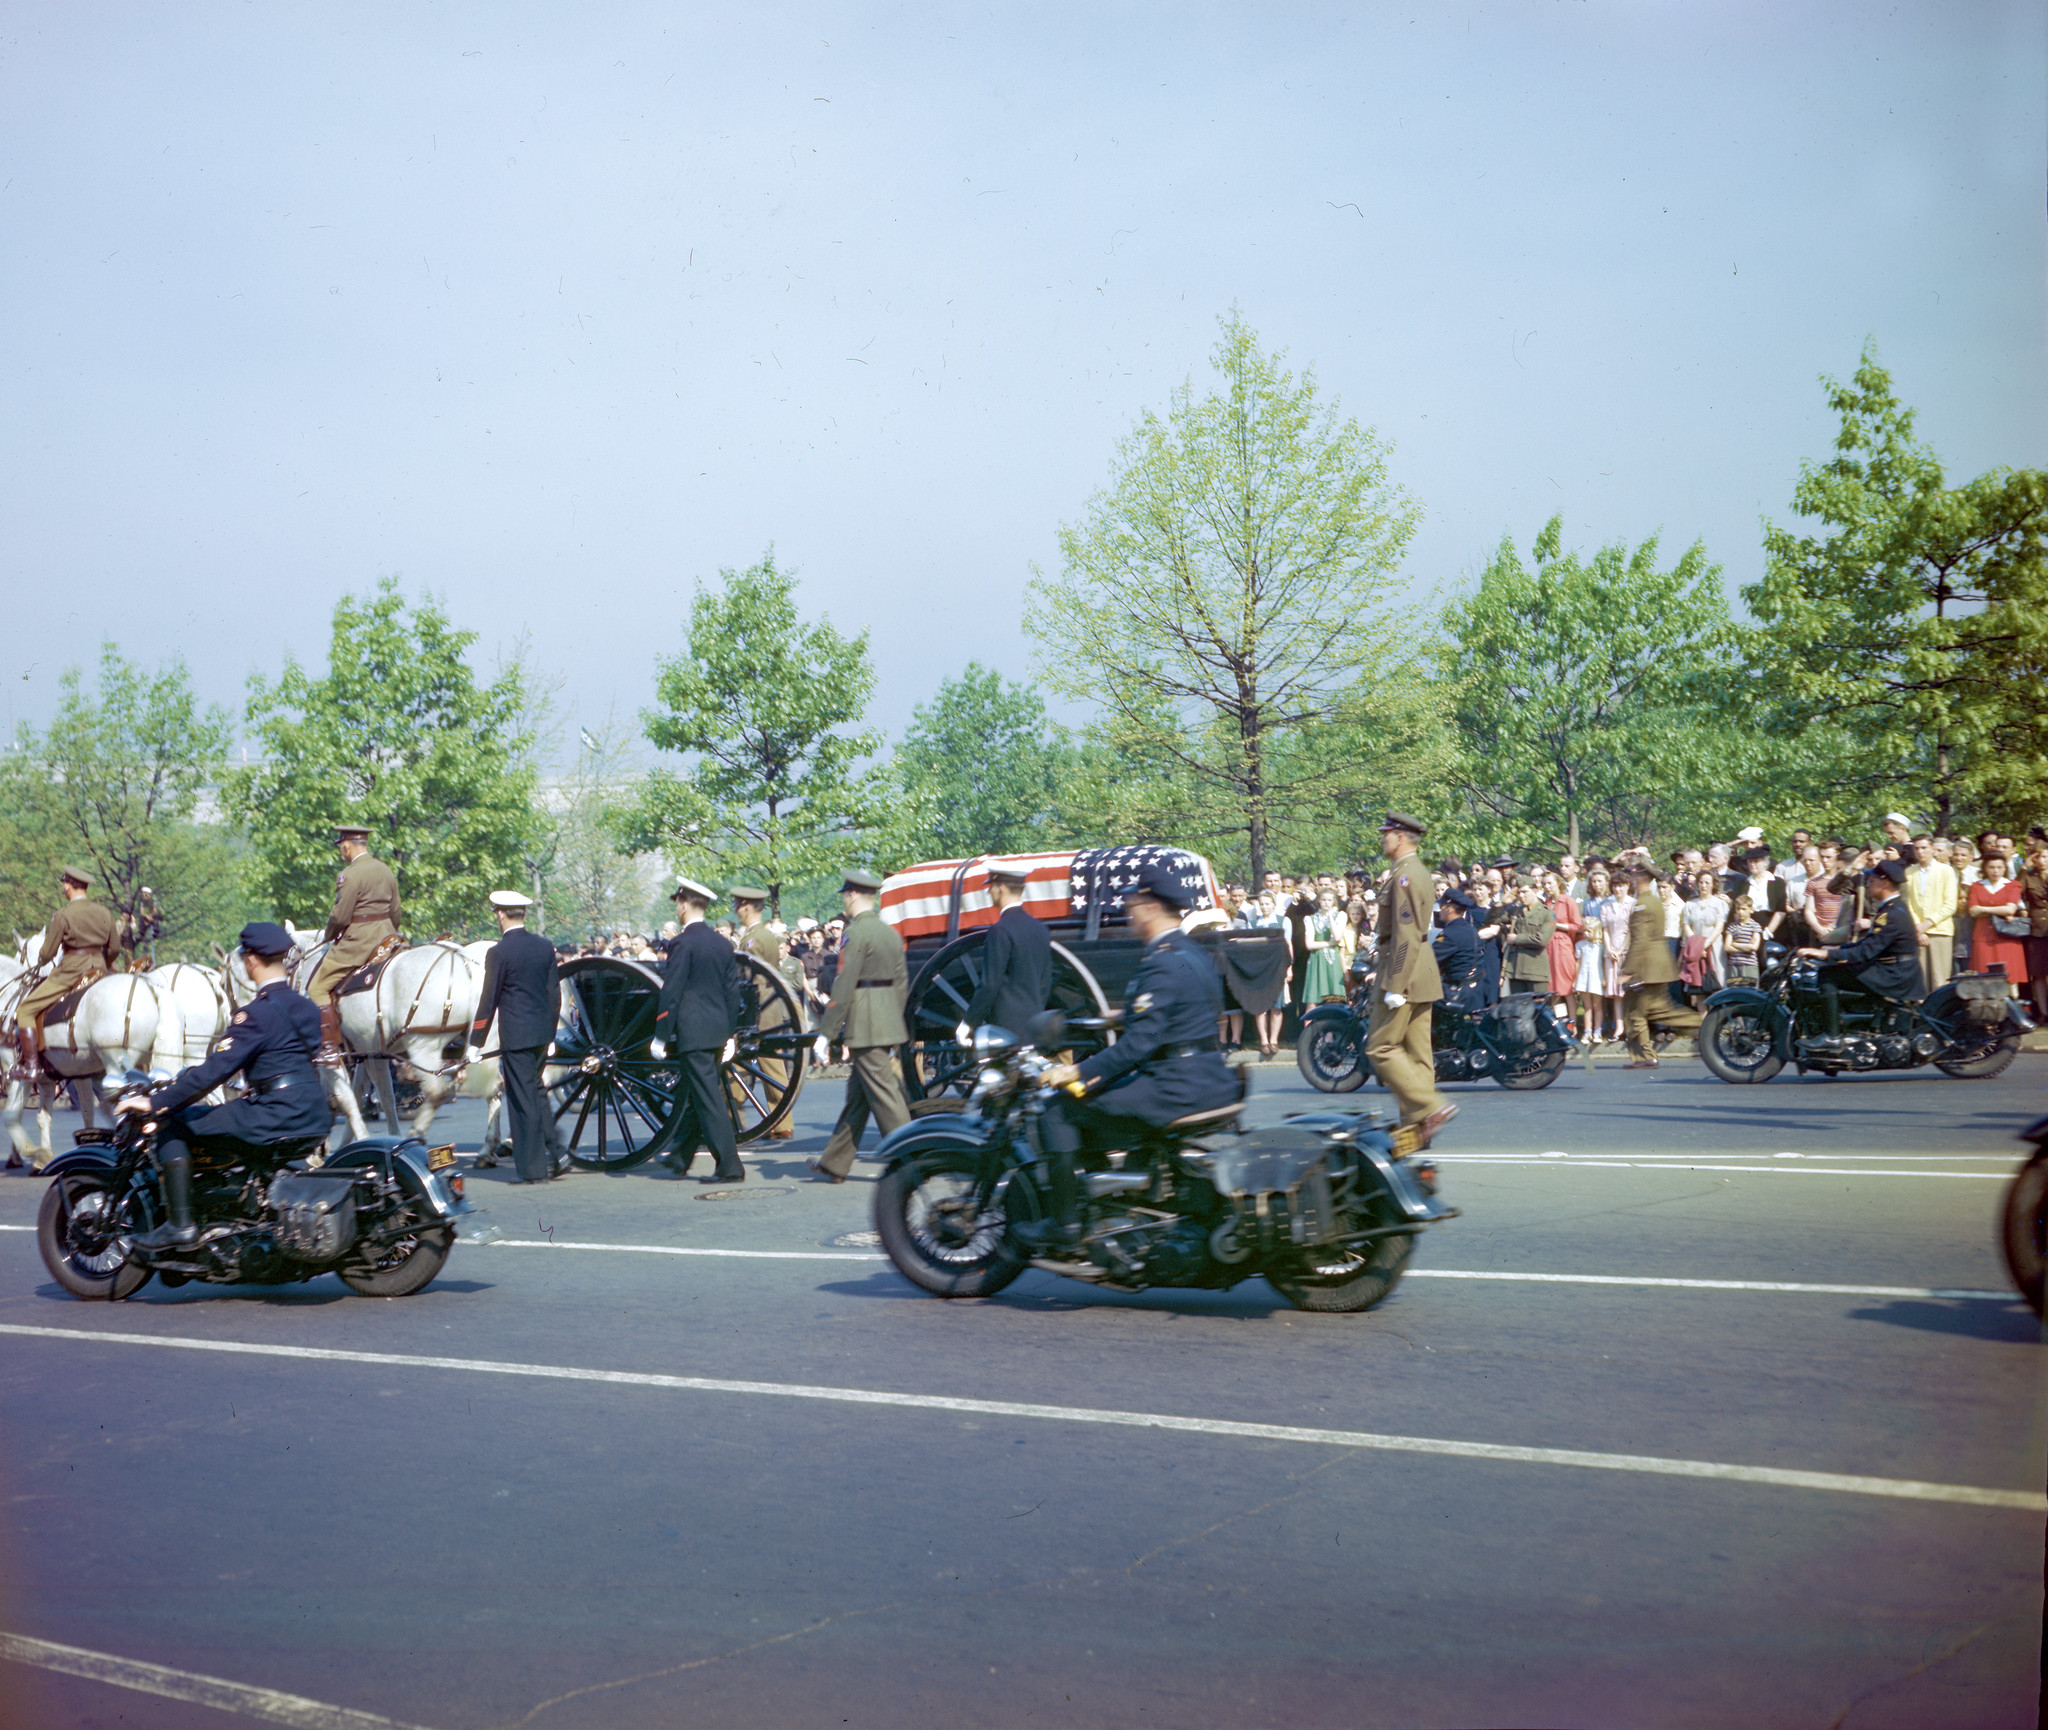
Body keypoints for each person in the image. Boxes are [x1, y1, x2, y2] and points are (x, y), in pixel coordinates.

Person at [1034, 857, 1241, 1249]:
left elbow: (1137, 1047)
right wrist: (1121, 1016)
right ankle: (1113, 1203)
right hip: (1209, 1075)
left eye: (1131, 908)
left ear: (1148, 909)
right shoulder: (1194, 953)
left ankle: (1065, 1225)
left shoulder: (1160, 963)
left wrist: (1076, 1073)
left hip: (1175, 1087)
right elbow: (1176, 1013)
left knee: (1058, 1108)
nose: (1128, 915)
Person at [120, 923, 329, 1250]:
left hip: (276, 1115)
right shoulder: (307, 1008)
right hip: (314, 1114)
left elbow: (212, 1073)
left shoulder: (255, 1014)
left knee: (173, 1124)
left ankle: (181, 1225)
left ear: (251, 961)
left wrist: (156, 1102)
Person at [808, 870, 910, 1184]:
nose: (844, 900)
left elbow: (844, 985)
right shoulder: (889, 932)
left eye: (844, 895)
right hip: (885, 1019)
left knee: (884, 1097)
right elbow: (902, 983)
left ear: (852, 895)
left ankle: (915, 1156)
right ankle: (835, 1163)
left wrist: (826, 1032)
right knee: (859, 1097)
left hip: (865, 1023)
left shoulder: (856, 933)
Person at [464, 890, 568, 1184]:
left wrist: (476, 1042)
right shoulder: (544, 947)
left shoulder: (498, 953)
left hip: (516, 1037)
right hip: (539, 1035)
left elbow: (489, 999)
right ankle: (556, 1152)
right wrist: (549, 1036)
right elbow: (553, 996)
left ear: (500, 914)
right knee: (534, 1094)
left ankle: (532, 1170)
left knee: (522, 1104)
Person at [1364, 812, 1454, 1139]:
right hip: (1420, 970)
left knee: (1380, 1048)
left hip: (1404, 970)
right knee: (1417, 1058)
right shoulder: (1409, 872)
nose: (1382, 838)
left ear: (1400, 836)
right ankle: (1416, 1134)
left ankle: (1430, 1108)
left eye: (1386, 833)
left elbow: (1405, 933)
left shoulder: (1406, 876)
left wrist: (1395, 983)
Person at [650, 876, 746, 1184]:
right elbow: (732, 991)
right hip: (717, 1030)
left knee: (708, 1099)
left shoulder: (681, 943)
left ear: (683, 904)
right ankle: (680, 1157)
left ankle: (730, 1166)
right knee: (697, 1092)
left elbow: (672, 992)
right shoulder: (721, 942)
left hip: (694, 1032)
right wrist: (731, 1032)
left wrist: (661, 1034)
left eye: (677, 903)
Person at [1799, 859, 1923, 1046]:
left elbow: (1866, 952)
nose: (1867, 883)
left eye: (1871, 880)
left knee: (1828, 975)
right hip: (1894, 968)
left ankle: (1832, 1037)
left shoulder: (1891, 914)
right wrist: (1837, 949)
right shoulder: (1892, 907)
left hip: (1894, 973)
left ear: (1884, 883)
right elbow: (1870, 944)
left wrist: (1826, 955)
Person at [306, 825, 402, 1064]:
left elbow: (340, 917)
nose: (341, 852)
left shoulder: (350, 874)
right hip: (387, 938)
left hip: (358, 944)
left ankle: (328, 1047)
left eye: (341, 847)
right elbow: (396, 912)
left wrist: (329, 935)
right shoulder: (386, 870)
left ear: (346, 846)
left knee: (316, 989)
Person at [14, 866, 120, 1081]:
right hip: (99, 970)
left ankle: (32, 1067)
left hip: (70, 972)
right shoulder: (105, 913)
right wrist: (105, 964)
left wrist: (42, 960)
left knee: (25, 1010)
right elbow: (114, 948)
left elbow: (47, 952)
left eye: (64, 884)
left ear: (67, 886)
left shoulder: (62, 915)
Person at [728, 885, 798, 1141]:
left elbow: (752, 980)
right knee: (770, 1066)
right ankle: (781, 1123)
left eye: (738, 905)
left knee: (740, 1064)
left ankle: (731, 1117)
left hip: (757, 1010)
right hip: (768, 1008)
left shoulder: (753, 939)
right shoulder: (763, 936)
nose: (736, 911)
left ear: (746, 906)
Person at [1618, 862, 1701, 1069]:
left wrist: (1627, 971)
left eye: (1633, 874)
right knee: (1635, 1012)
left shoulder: (1643, 904)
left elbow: (1641, 940)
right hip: (1653, 966)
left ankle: (1704, 1026)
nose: (1630, 877)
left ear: (1643, 877)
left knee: (1659, 1011)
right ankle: (1644, 1056)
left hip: (1649, 967)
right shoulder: (1649, 901)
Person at [963, 863, 1054, 1040]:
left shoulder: (1000, 930)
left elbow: (990, 984)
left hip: (1005, 1029)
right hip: (1035, 1025)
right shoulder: (1041, 929)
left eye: (991, 886)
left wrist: (969, 1022)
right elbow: (1046, 981)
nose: (989, 891)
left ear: (1001, 889)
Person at [1965, 851, 2031, 996]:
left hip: (2007, 937)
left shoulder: (2013, 885)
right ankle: (1988, 1014)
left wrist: (1983, 908)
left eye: (1999, 867)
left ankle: (2012, 1013)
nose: (1995, 871)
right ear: (1985, 868)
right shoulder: (1977, 886)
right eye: (1991, 867)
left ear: (2004, 868)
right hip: (1983, 937)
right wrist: (2000, 910)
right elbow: (1972, 911)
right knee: (1983, 977)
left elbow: (2010, 908)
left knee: (2010, 978)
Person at [1903, 834, 1959, 995]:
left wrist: (1928, 923)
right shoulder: (1910, 872)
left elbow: (1950, 904)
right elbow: (1908, 903)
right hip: (1917, 932)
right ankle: (1920, 1013)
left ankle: (1939, 1014)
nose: (1920, 852)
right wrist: (1917, 928)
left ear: (1933, 849)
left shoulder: (1946, 871)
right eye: (1917, 848)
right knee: (1920, 976)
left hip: (1940, 930)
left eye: (1924, 848)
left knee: (1939, 978)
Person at [1502, 877, 1555, 998]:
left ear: (1535, 891)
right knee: (1518, 1011)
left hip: (1535, 970)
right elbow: (1491, 919)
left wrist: (1516, 939)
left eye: (1525, 892)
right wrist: (1502, 903)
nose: (1521, 895)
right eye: (1519, 892)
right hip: (1515, 970)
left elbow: (1541, 940)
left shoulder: (1547, 913)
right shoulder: (1515, 911)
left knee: (1539, 1010)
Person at [1433, 888, 1484, 1009]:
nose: (1440, 909)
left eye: (1442, 905)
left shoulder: (1450, 934)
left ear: (1449, 908)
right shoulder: (1470, 929)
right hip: (1474, 992)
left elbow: (1430, 960)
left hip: (1456, 994)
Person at [1542, 871, 1582, 1019]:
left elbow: (1577, 925)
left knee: (1566, 987)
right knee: (1553, 989)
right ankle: (1560, 1022)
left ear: (1558, 883)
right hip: (1549, 946)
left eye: (1550, 883)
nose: (1547, 886)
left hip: (1563, 945)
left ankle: (1572, 1024)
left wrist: (1557, 925)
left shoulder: (1568, 901)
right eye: (1545, 884)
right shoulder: (1545, 903)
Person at [1299, 889, 1347, 1004]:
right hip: (1317, 959)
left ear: (1333, 902)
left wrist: (1330, 918)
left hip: (1333, 960)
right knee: (1312, 1002)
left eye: (1329, 900)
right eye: (1324, 900)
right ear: (1319, 901)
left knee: (1334, 1000)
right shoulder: (1310, 919)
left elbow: (1337, 937)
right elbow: (1309, 945)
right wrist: (1330, 944)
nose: (1326, 903)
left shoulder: (1340, 916)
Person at [1724, 896, 1763, 984]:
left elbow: (1754, 947)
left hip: (1749, 965)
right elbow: (1727, 947)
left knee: (1749, 992)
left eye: (1744, 909)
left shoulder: (1755, 926)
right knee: (1734, 992)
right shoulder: (1732, 926)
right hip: (1734, 964)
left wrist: (1734, 944)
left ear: (1751, 910)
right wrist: (1746, 946)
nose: (1740, 912)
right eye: (1738, 909)